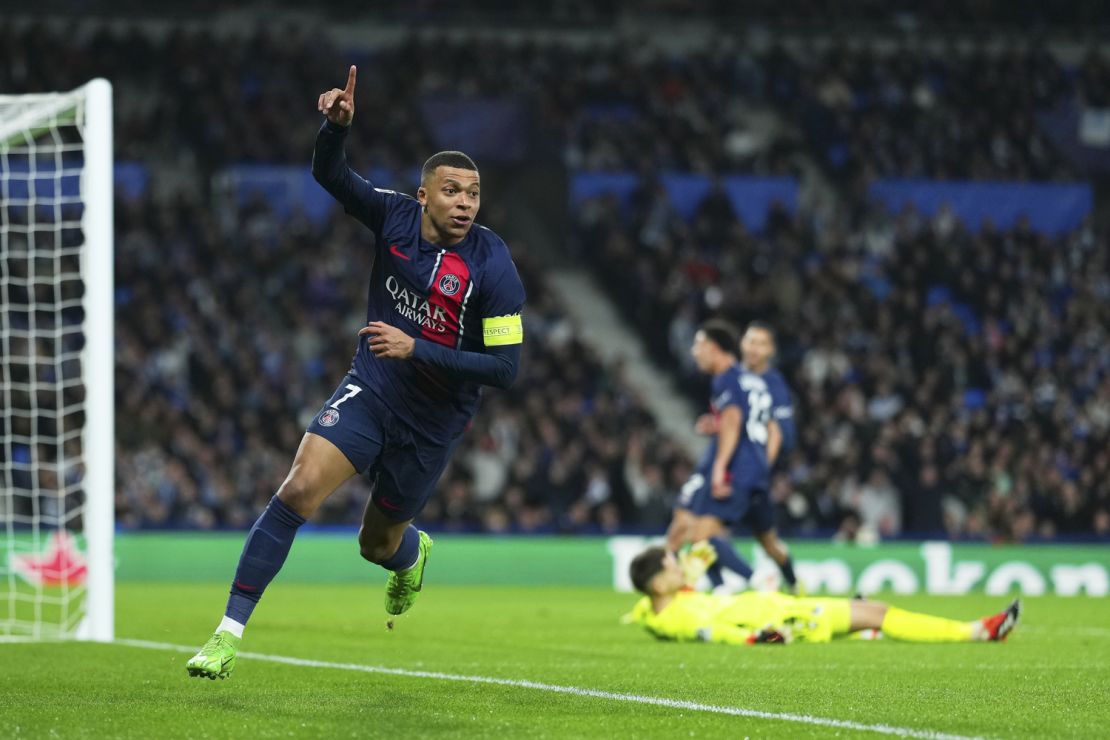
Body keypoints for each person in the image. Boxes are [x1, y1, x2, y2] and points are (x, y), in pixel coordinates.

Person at [187, 66, 526, 680]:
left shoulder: (494, 266)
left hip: (433, 422)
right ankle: (227, 634)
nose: (465, 204)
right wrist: (333, 130)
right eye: (452, 191)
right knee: (297, 489)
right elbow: (330, 175)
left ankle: (409, 555)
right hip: (372, 388)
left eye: (473, 194)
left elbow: (505, 369)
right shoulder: (394, 216)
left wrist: (416, 347)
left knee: (376, 545)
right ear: (424, 194)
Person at [627, 546, 1021, 645]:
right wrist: (754, 638)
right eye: (672, 565)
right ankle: (977, 632)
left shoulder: (656, 608)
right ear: (658, 583)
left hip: (778, 606)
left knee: (867, 613)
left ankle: (866, 632)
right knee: (877, 612)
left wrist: (686, 579)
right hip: (784, 619)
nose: (681, 566)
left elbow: (647, 609)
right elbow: (710, 631)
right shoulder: (677, 616)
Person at [665, 320, 779, 590]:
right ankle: (720, 590)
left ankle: (758, 579)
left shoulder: (726, 378)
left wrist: (719, 468)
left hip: (738, 467)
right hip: (749, 465)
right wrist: (716, 425)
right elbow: (748, 421)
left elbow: (734, 420)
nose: (695, 352)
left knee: (701, 537)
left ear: (714, 348)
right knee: (697, 535)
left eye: (699, 345)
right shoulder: (743, 378)